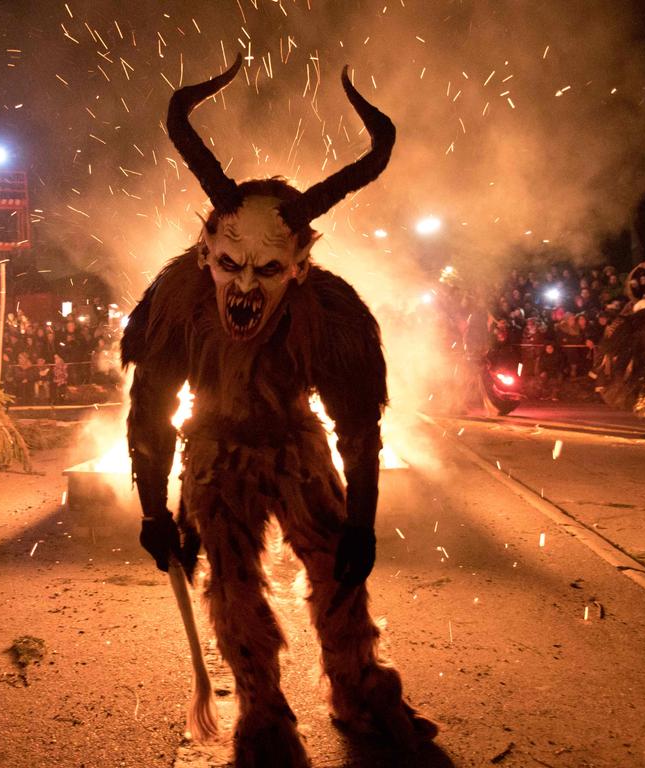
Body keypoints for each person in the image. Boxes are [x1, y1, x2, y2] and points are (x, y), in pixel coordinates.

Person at [123, 57, 434, 767]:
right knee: (232, 590)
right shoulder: (178, 299)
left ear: (298, 265)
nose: (243, 289)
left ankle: (360, 689)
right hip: (213, 451)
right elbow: (151, 405)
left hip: (297, 448)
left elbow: (358, 424)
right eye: (230, 263)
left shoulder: (329, 314)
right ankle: (263, 714)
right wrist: (155, 508)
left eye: (267, 270)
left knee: (338, 575)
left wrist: (360, 520)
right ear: (207, 251)